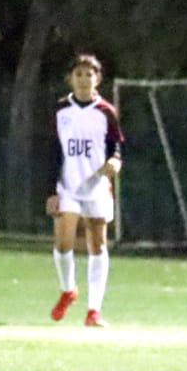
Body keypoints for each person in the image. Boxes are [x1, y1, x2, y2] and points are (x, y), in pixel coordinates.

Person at [48, 53, 124, 328]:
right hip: (68, 186)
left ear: (98, 79)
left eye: (89, 74)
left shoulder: (106, 112)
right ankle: (68, 290)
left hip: (97, 187)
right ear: (70, 79)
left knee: (98, 245)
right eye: (78, 74)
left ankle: (94, 311)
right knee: (63, 243)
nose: (83, 79)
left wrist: (115, 161)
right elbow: (51, 151)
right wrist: (51, 191)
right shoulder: (61, 110)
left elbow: (115, 147)